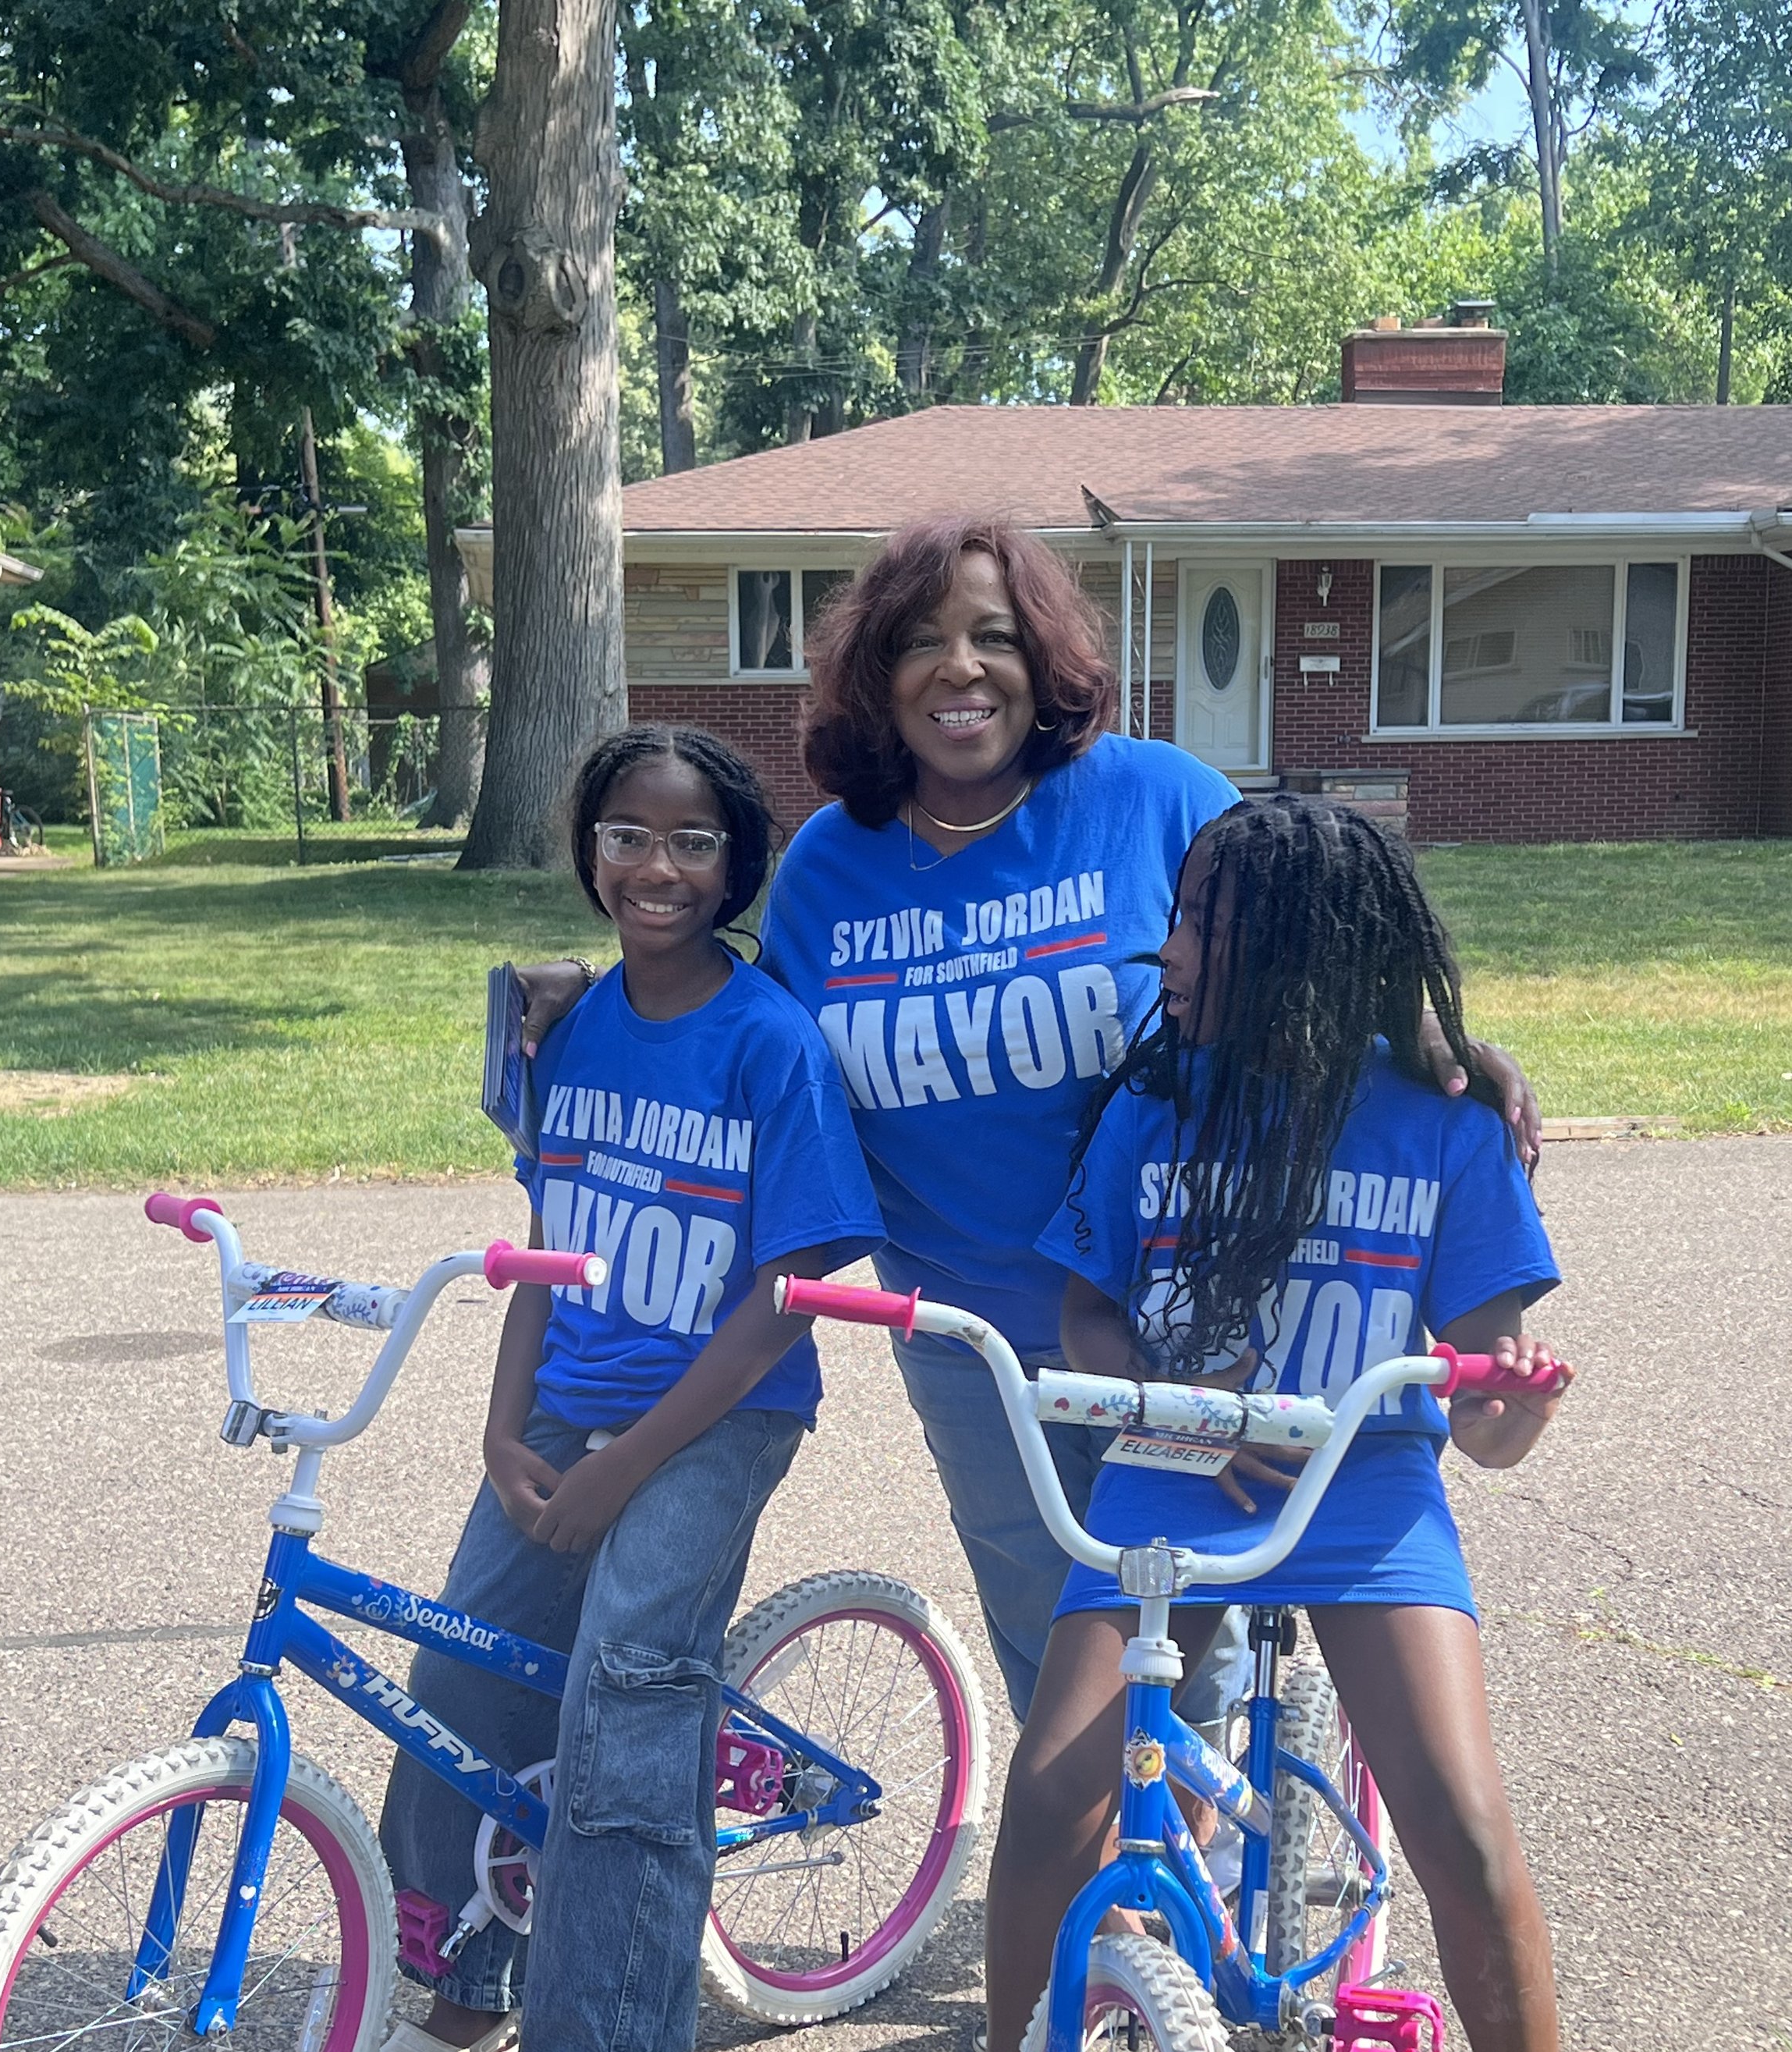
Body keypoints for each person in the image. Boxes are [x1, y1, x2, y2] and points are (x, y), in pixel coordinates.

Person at [520, 519, 1541, 1745]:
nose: (960, 667)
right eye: (921, 642)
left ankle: (1218, 1848)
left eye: (994, 637)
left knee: (1185, 1657)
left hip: (1180, 1313)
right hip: (973, 1340)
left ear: (1043, 656)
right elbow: (743, 1029)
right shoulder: (831, 866)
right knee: (1056, 1658)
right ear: (876, 674)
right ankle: (1130, 1862)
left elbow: (1308, 929)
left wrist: (1419, 1035)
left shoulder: (1155, 797)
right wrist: (595, 989)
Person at [857, 795, 1628, 2052]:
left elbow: (1486, 1410)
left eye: (1204, 923)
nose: (1171, 950)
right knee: (1054, 1790)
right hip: (1170, 1469)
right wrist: (1176, 1401)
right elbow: (1085, 1307)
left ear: (1302, 952)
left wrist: (1520, 1403)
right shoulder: (1156, 1101)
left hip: (1365, 1489)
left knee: (1463, 1823)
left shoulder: (1441, 1123)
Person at [352, 726, 884, 2052]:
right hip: (564, 1408)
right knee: (459, 1673)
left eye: (693, 841)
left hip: (710, 1419)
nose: (657, 865)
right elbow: (541, 1247)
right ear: (587, 845)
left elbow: (781, 1301)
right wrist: (499, 1434)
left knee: (628, 1691)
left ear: (737, 865)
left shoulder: (768, 1043)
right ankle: (465, 1995)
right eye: (627, 834)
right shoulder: (568, 1024)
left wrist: (626, 1462)